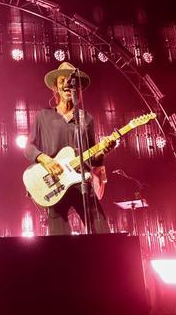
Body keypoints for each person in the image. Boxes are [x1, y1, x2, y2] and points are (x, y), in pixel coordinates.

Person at [23, 61, 110, 235]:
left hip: (81, 182)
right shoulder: (44, 116)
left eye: (72, 82)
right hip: (55, 181)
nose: (67, 85)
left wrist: (103, 151)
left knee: (101, 229)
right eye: (62, 81)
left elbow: (93, 157)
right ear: (55, 87)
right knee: (59, 234)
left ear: (77, 88)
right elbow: (28, 148)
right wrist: (44, 159)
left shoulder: (87, 119)